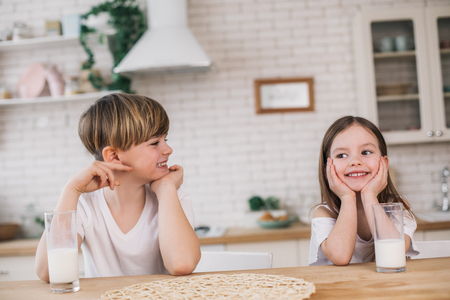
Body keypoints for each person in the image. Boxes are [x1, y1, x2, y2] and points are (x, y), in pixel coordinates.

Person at [35, 93, 201, 281]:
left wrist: (166, 189)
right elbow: (48, 272)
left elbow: (182, 264)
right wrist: (72, 189)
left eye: (166, 140)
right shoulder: (84, 207)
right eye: (155, 143)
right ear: (114, 156)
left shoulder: (173, 198)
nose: (167, 150)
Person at [309, 116, 419, 266]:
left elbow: (394, 255)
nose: (355, 161)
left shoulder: (398, 207)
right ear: (327, 168)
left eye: (366, 152)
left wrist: (369, 196)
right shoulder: (324, 213)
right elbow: (340, 257)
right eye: (341, 155)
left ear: (384, 163)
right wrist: (347, 197)